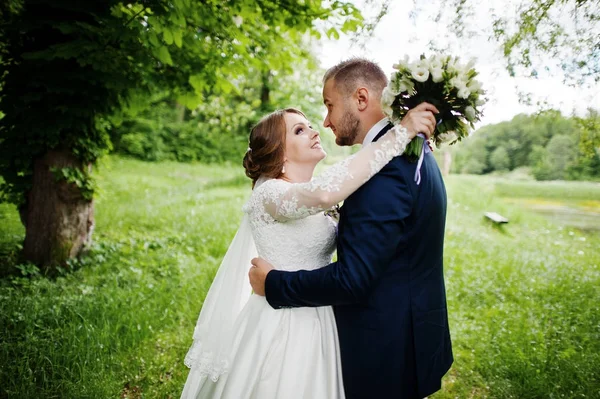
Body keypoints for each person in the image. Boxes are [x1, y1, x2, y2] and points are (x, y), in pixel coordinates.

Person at [181, 93, 437, 397]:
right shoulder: (270, 194)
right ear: (280, 154)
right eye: (299, 130)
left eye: (310, 125)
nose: (315, 131)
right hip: (281, 323)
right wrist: (398, 136)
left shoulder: (302, 193)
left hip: (321, 314)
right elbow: (322, 195)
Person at [249, 58, 453, 399]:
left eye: (329, 106)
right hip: (393, 335)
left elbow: (352, 278)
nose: (324, 123)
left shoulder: (387, 167)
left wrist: (274, 283)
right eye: (300, 129)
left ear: (360, 99)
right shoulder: (408, 153)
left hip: (386, 347)